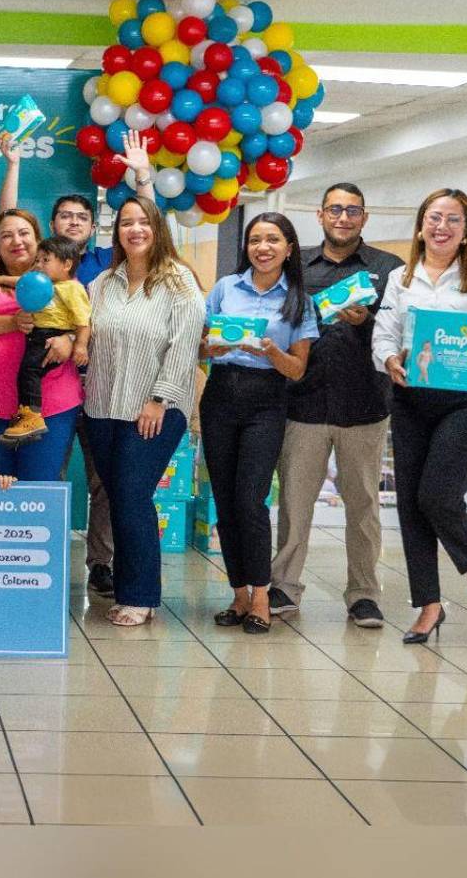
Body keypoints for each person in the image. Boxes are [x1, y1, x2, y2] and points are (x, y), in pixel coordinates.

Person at [0, 131, 155, 597]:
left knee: (104, 481)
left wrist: (142, 178)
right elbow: (9, 219)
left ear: (93, 227)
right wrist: (13, 164)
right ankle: (36, 557)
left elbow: (150, 228)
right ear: (51, 223)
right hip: (53, 391)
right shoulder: (40, 264)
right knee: (48, 472)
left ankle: (100, 561)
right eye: (64, 215)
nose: (72, 222)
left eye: (81, 216)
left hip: (104, 388)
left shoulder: (110, 262)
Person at [372, 188, 467, 645]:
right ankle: (428, 607)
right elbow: (384, 334)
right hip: (414, 402)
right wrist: (389, 361)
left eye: (453, 220)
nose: (442, 227)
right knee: (411, 506)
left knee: (436, 495)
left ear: (465, 231)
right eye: (435, 218)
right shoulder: (401, 277)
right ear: (420, 226)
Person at [269, 183, 403, 630]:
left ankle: (364, 593)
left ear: (364, 217)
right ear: (320, 215)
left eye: (352, 211)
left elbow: (399, 337)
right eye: (334, 210)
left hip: (364, 408)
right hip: (302, 405)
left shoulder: (390, 270)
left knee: (363, 507)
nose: (342, 218)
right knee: (294, 503)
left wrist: (366, 325)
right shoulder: (296, 265)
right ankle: (284, 586)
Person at [84, 197, 205, 625]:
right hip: (100, 407)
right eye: (125, 223)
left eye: (143, 222)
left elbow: (184, 345)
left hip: (154, 408)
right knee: (118, 498)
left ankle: (140, 596)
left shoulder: (179, 283)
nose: (134, 230)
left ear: (157, 228)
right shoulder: (102, 283)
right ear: (116, 232)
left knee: (133, 497)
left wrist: (159, 398)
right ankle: (124, 581)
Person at [200, 212, 318, 634]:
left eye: (272, 240)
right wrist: (214, 347)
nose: (262, 248)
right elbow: (202, 345)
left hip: (267, 400)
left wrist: (272, 352)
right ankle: (238, 592)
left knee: (251, 500)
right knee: (225, 500)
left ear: (288, 249)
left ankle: (263, 594)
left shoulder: (299, 300)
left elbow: (298, 369)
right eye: (255, 240)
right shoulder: (225, 289)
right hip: (220, 395)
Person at [0, 209, 82, 481]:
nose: (16, 241)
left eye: (24, 233)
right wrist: (12, 322)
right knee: (3, 489)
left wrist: (69, 340)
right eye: (6, 236)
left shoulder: (60, 281)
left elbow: (84, 320)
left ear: (38, 240)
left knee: (39, 490)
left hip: (50, 405)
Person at [0, 237, 90, 445]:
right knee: (27, 372)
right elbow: (22, 282)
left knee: (29, 372)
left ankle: (32, 416)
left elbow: (84, 321)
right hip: (37, 335)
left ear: (66, 265)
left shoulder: (71, 288)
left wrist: (80, 346)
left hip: (51, 336)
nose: (38, 264)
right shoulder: (44, 283)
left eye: (45, 260)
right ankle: (28, 414)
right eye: (37, 259)